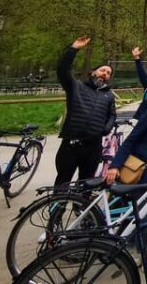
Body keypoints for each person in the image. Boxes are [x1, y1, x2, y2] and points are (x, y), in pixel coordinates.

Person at [55, 36, 116, 186]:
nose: (105, 73)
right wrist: (74, 49)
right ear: (93, 72)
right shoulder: (76, 86)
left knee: (86, 183)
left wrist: (106, 128)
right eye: (102, 70)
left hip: (93, 146)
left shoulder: (109, 95)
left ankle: (81, 202)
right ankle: (58, 201)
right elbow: (62, 69)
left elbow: (112, 114)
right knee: (63, 181)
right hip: (71, 143)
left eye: (108, 73)